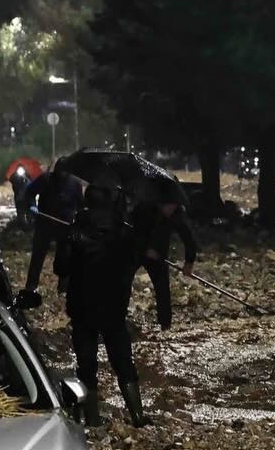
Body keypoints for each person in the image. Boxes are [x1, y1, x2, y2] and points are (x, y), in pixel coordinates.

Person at [57, 185, 149, 428]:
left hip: (82, 307)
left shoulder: (76, 231)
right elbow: (134, 262)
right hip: (114, 307)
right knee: (123, 362)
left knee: (87, 365)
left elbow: (61, 267)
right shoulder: (124, 231)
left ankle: (92, 418)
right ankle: (137, 416)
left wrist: (70, 240)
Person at [128, 188, 197, 329]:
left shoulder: (177, 214)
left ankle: (165, 324)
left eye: (174, 208)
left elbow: (188, 238)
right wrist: (145, 249)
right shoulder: (143, 208)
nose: (171, 211)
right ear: (160, 203)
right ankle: (119, 317)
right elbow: (131, 232)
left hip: (159, 254)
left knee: (163, 289)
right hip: (136, 251)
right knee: (124, 281)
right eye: (169, 208)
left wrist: (189, 262)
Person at [21, 159, 85, 298]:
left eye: (64, 171)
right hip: (45, 222)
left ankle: (63, 288)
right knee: (38, 256)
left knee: (64, 257)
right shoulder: (46, 179)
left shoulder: (75, 183)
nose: (62, 174)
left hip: (65, 225)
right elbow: (29, 192)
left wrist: (78, 219)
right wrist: (32, 206)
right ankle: (31, 287)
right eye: (60, 171)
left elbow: (80, 204)